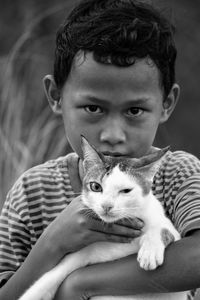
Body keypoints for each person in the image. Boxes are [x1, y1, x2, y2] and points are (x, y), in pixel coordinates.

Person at [1, 0, 200, 299]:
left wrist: (80, 284)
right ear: (56, 96)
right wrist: (53, 243)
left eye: (134, 111)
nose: (113, 135)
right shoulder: (32, 192)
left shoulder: (176, 174)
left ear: (166, 104)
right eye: (93, 108)